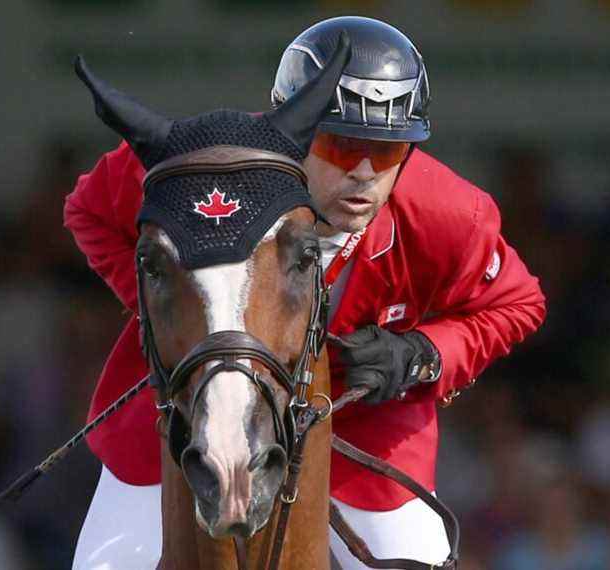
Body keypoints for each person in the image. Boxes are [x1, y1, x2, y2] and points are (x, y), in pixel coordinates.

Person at [65, 16, 546, 569]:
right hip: (190, 418)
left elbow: (518, 303)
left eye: (388, 152)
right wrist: (172, 310)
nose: (365, 174)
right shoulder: (205, 165)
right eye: (341, 147)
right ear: (295, 131)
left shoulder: (447, 212)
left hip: (363, 431)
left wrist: (424, 356)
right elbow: (90, 211)